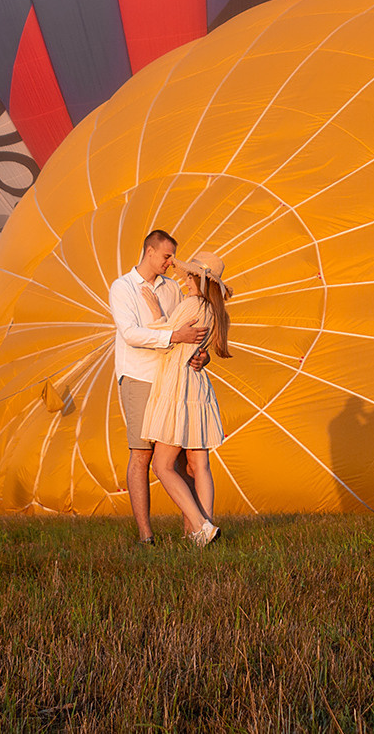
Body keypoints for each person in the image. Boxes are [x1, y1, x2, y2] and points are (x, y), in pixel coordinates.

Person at [107, 230, 210, 546]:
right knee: (141, 453)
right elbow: (131, 334)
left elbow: (187, 328)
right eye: (167, 257)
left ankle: (193, 530)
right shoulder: (123, 288)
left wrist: (200, 355)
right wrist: (173, 337)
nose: (171, 263)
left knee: (179, 455)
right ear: (149, 251)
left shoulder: (171, 289)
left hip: (171, 377)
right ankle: (146, 536)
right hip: (138, 376)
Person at [140, 251, 231, 545]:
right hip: (199, 388)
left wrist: (155, 310)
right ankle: (201, 532)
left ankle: (201, 526)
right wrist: (202, 356)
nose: (185, 277)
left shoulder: (192, 303)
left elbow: (164, 336)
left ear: (197, 278)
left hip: (177, 385)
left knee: (162, 465)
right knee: (199, 465)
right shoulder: (215, 311)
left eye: (190, 274)